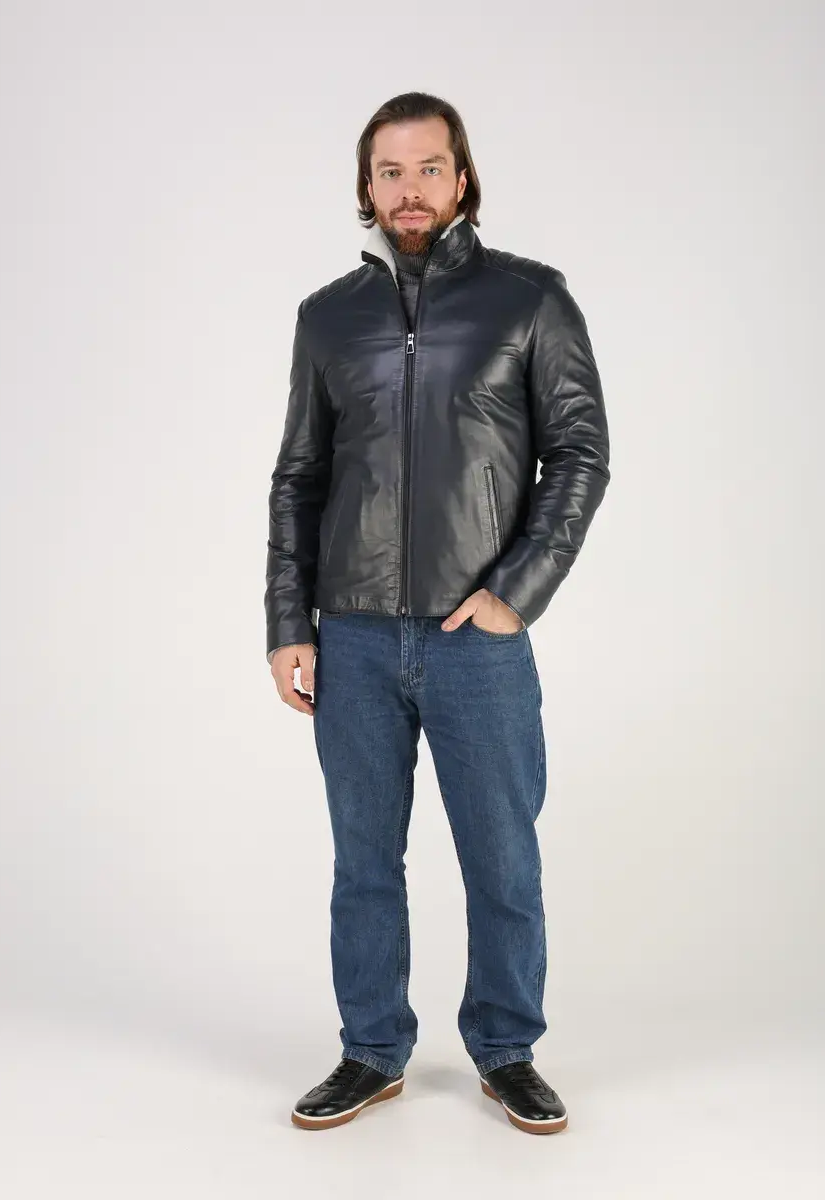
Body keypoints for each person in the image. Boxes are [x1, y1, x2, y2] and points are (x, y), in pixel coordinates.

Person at [265, 91, 610, 1135]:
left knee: (502, 857)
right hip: (354, 636)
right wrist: (289, 622)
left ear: (462, 180)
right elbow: (298, 476)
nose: (408, 190)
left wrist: (516, 593)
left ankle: (507, 1049)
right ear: (365, 187)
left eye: (427, 169)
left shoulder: (530, 299)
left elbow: (580, 454)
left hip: (478, 639)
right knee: (363, 862)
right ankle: (371, 1050)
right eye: (389, 171)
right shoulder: (327, 316)